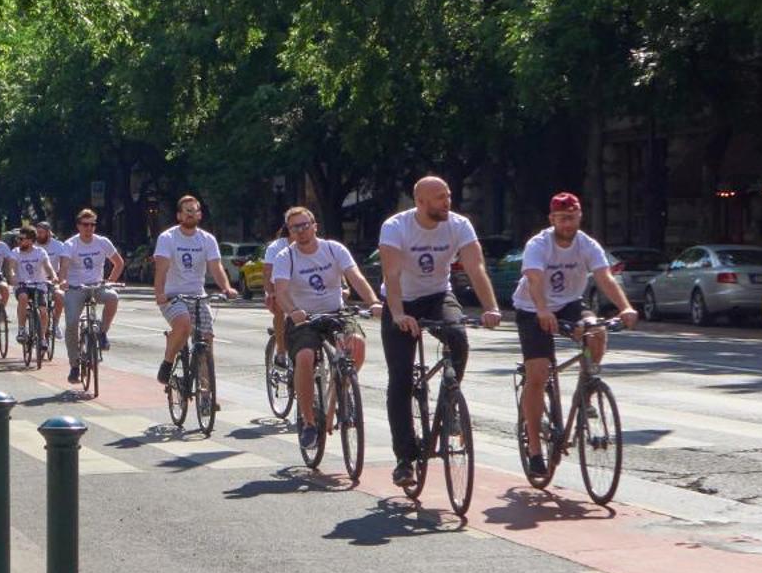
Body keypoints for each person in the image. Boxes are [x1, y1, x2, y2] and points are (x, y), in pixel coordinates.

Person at [376, 176, 503, 487]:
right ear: (420, 202)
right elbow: (391, 274)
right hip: (401, 299)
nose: (447, 202)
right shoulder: (396, 227)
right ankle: (405, 459)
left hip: (437, 296)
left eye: (448, 195)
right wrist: (397, 314)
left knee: (458, 336)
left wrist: (491, 307)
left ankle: (449, 403)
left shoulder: (459, 225)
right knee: (401, 378)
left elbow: (476, 268)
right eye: (439, 198)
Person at [513, 192, 638, 480]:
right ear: (552, 219)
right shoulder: (539, 244)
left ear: (580, 216)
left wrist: (626, 307)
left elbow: (605, 277)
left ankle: (587, 389)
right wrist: (543, 310)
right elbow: (534, 279)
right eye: (562, 218)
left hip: (569, 303)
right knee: (538, 373)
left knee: (596, 332)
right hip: (534, 306)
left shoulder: (587, 244)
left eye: (572, 217)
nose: (568, 224)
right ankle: (534, 448)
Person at [271, 206, 383, 452]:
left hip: (335, 312)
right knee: (305, 356)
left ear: (315, 225)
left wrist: (373, 301)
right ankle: (309, 421)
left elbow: (355, 277)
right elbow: (281, 292)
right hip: (304, 318)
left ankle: (339, 393)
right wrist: (293, 311)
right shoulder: (285, 257)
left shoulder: (334, 249)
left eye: (305, 225)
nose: (301, 231)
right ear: (289, 231)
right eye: (295, 227)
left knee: (357, 344)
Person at [152, 195, 237, 388]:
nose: (192, 214)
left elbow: (216, 267)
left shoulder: (207, 239)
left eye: (195, 210)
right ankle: (168, 362)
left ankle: (206, 392)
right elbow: (162, 268)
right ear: (179, 215)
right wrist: (160, 293)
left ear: (200, 214)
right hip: (173, 296)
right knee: (183, 324)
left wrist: (226, 287)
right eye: (187, 211)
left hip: (198, 295)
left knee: (206, 339)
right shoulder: (168, 238)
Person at [57, 208, 124, 382]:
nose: (89, 228)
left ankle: (102, 332)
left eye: (93, 224)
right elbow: (64, 266)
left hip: (97, 286)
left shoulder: (102, 242)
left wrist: (109, 281)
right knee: (71, 323)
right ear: (78, 226)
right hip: (75, 288)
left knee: (113, 297)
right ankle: (74, 365)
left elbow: (118, 263)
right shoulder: (70, 244)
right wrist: (63, 280)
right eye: (85, 225)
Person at [10, 225, 59, 348]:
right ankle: (21, 329)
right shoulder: (15, 252)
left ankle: (42, 338)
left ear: (31, 240)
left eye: (22, 239)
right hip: (22, 285)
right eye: (19, 239)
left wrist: (53, 276)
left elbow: (47, 266)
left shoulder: (40, 252)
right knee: (23, 297)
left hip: (39, 285)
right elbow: (11, 267)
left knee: (43, 311)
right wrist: (12, 276)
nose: (19, 241)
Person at [262, 222, 291, 368]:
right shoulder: (276, 247)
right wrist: (270, 293)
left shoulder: (313, 245)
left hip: (303, 288)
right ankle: (281, 351)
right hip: (280, 287)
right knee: (279, 308)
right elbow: (267, 272)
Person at [35, 221, 69, 335]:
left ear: (48, 233)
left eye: (41, 232)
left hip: (52, 279)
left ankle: (55, 323)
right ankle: (29, 324)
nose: (38, 235)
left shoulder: (59, 245)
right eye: (37, 232)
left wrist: (62, 279)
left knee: (60, 296)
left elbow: (64, 264)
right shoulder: (32, 245)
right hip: (35, 280)